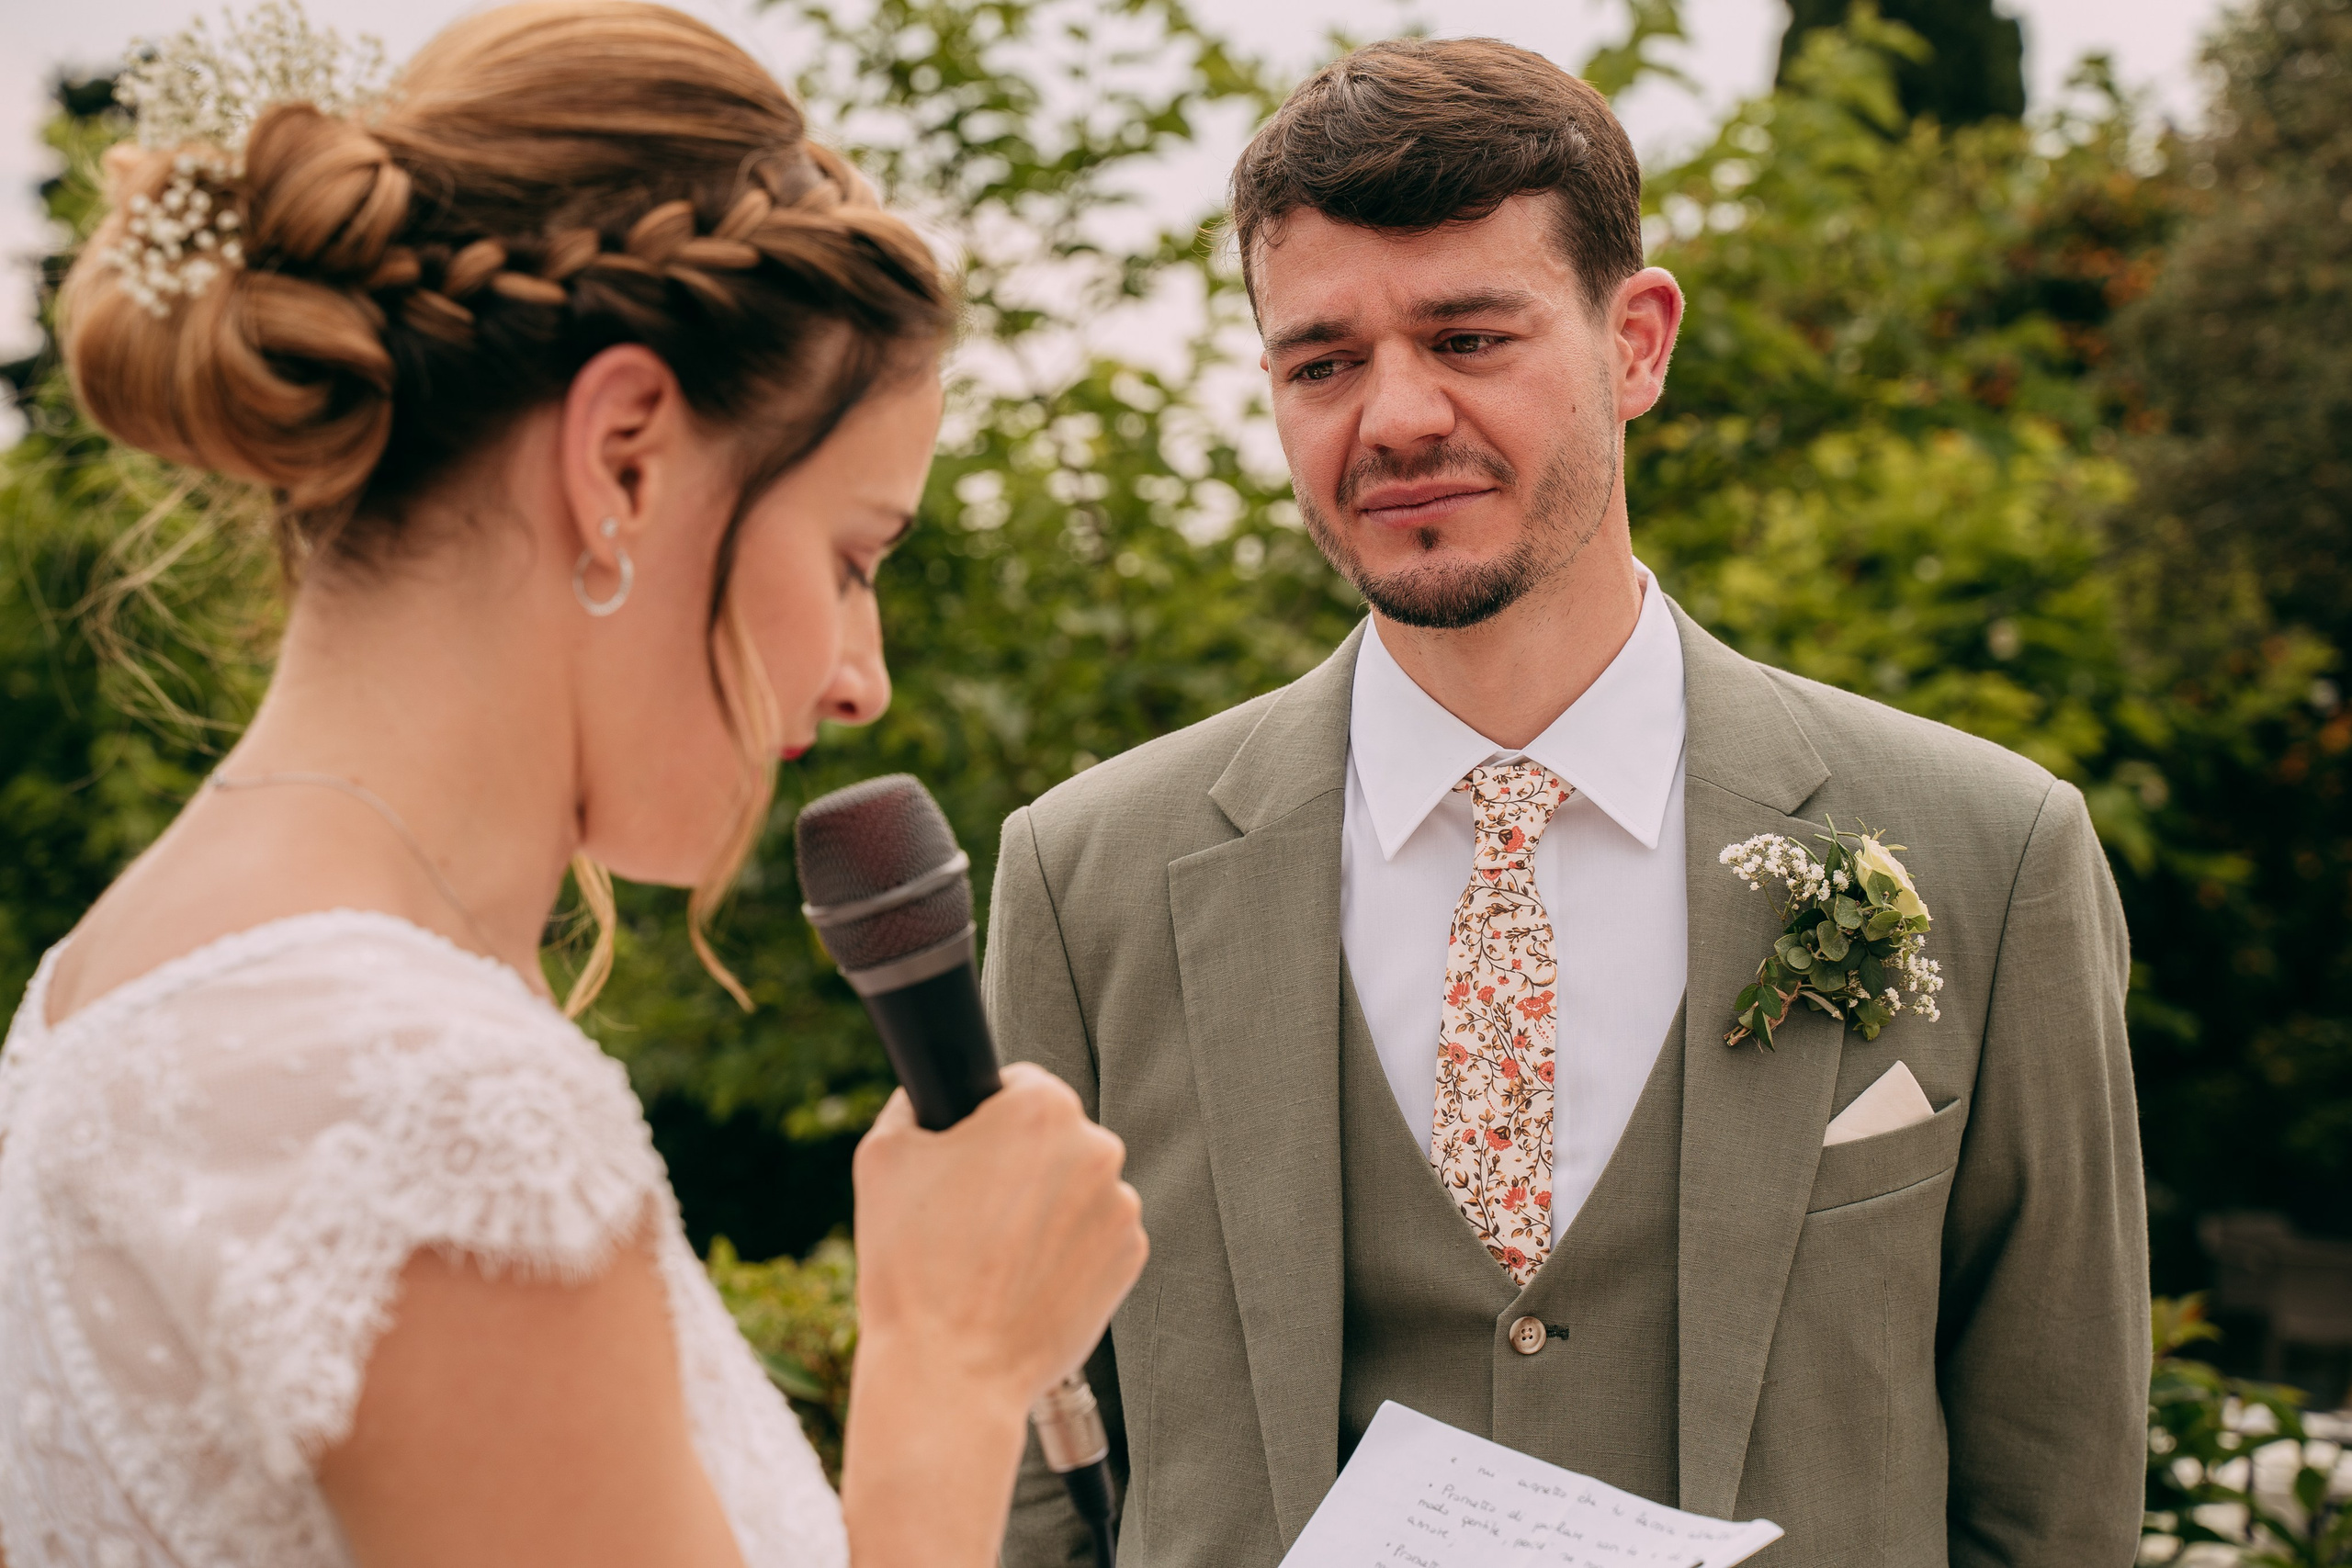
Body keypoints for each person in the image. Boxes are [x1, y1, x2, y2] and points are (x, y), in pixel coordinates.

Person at [0, 6, 1147, 1568]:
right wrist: (950, 1362)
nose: (860, 676)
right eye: (852, 557)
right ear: (624, 457)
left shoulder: (125, 980)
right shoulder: (410, 1089)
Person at [991, 37, 2147, 1568]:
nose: (1394, 418)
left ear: (1638, 343)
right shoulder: (1087, 882)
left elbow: (2055, 1491)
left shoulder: (1990, 853)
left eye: (1469, 337)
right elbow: (1028, 1473)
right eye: (1322, 361)